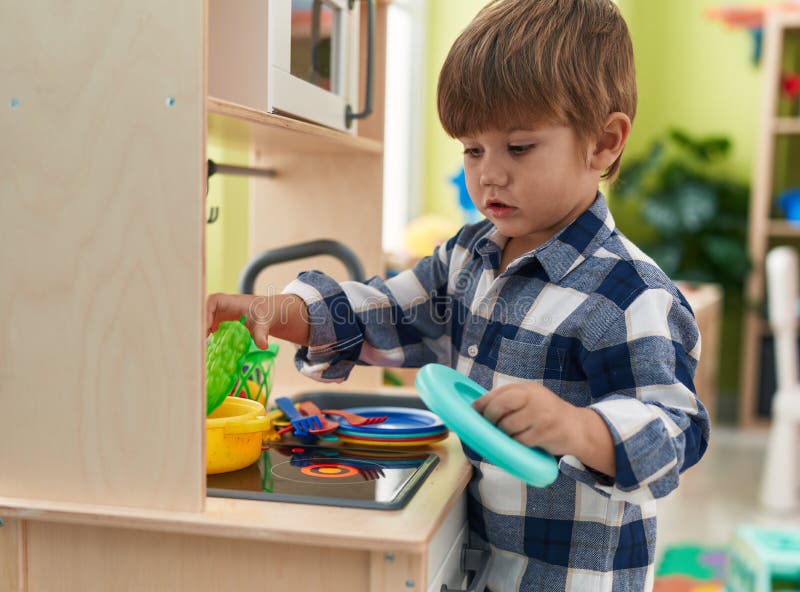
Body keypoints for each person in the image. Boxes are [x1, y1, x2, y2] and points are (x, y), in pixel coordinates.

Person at [207, 1, 710, 589]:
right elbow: (390, 311)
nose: (489, 174)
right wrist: (283, 312)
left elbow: (675, 429)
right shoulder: (471, 253)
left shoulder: (630, 293)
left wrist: (578, 427)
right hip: (485, 561)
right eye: (473, 149)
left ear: (603, 143)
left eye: (518, 148)